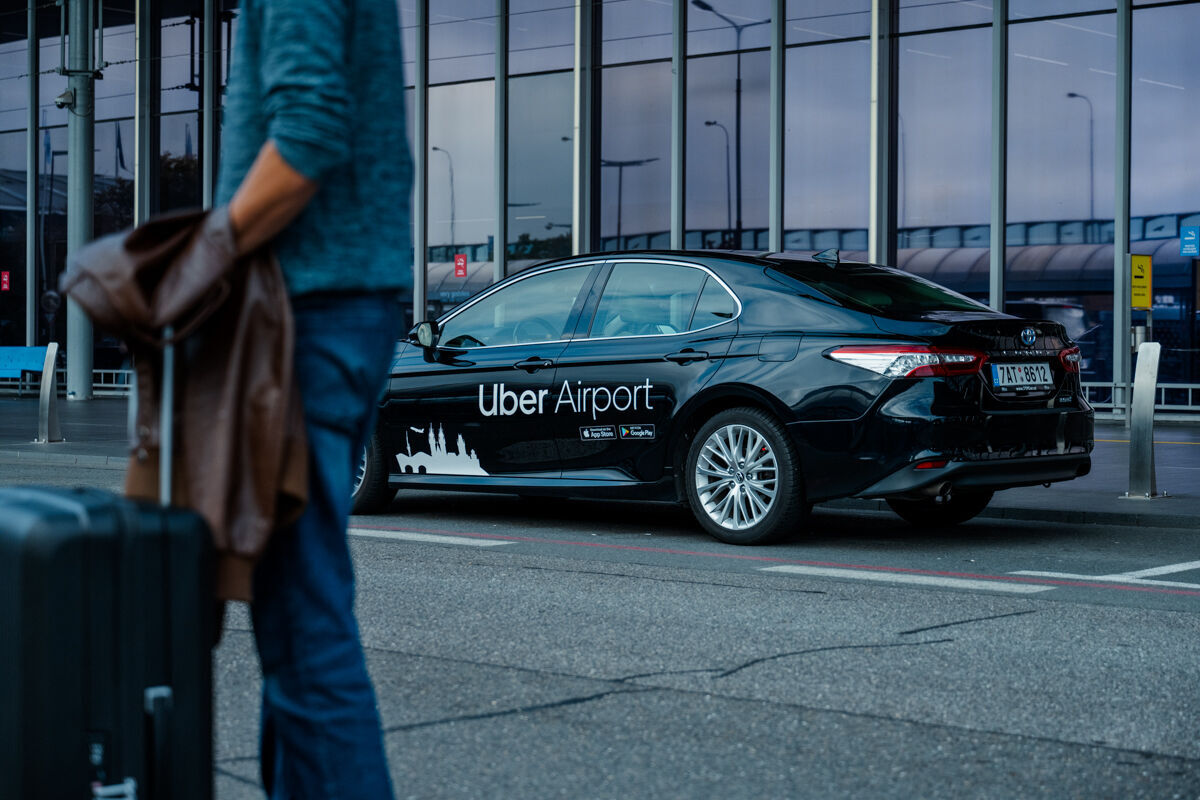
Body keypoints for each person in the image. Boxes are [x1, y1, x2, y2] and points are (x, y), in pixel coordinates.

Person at [215, 0, 412, 797]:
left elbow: (307, 133)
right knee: (291, 621)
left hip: (305, 313)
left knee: (302, 628)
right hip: (331, 309)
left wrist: (206, 255)